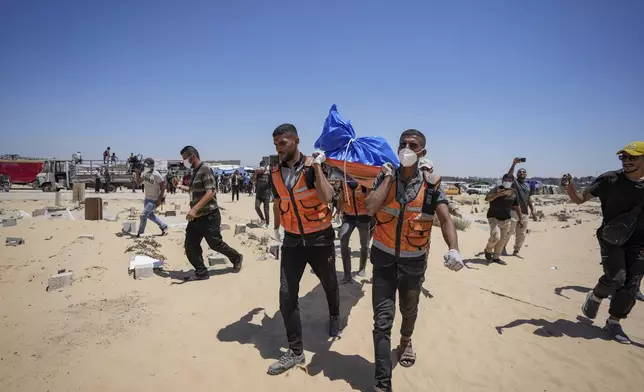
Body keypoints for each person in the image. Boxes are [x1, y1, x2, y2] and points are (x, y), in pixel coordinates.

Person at [365, 129, 464, 392]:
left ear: (423, 152)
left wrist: (454, 248)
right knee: (382, 321)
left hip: (413, 263)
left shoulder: (431, 184)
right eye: (403, 144)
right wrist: (387, 177)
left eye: (413, 145)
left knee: (409, 311)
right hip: (384, 261)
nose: (407, 148)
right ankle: (382, 384)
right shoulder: (385, 177)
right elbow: (370, 208)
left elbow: (445, 219)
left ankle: (406, 340)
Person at [266, 123, 340, 375]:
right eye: (276, 144)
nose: (278, 148)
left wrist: (317, 166)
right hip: (292, 241)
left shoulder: (313, 167)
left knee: (329, 281)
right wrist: (274, 231)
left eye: (283, 143)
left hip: (320, 239)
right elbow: (278, 203)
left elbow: (327, 196)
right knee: (286, 295)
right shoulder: (273, 172)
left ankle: (334, 315)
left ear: (296, 141)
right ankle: (296, 352)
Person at [564, 141, 644, 344]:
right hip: (612, 238)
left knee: (631, 286)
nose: (627, 161)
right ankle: (596, 295)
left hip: (639, 242)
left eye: (632, 157)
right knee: (617, 278)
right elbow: (580, 199)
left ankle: (614, 321)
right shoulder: (610, 179)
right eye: (624, 157)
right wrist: (569, 188)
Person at [180, 145, 243, 280]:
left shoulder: (205, 170)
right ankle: (201, 271)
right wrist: (180, 186)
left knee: (215, 244)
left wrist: (194, 208)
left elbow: (211, 191)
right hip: (196, 218)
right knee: (190, 245)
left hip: (209, 216)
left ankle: (236, 257)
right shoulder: (195, 172)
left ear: (193, 156)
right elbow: (195, 191)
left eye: (185, 158)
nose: (184, 161)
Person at [483, 174, 523, 265]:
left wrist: (520, 219)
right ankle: (488, 250)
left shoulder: (513, 192)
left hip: (506, 219)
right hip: (494, 217)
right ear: (502, 180)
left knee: (502, 239)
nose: (507, 182)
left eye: (510, 180)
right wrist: (498, 194)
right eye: (506, 180)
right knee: (495, 236)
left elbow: (516, 206)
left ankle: (496, 257)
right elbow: (487, 198)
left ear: (512, 182)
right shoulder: (497, 188)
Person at [338, 179, 371, 282]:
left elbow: (371, 198)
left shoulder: (364, 183)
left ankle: (362, 268)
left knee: (364, 244)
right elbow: (341, 197)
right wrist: (338, 211)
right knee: (343, 239)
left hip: (364, 217)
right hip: (349, 217)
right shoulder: (343, 182)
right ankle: (347, 274)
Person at [507, 158, 535, 256]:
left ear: (526, 175)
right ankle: (502, 248)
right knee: (509, 231)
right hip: (513, 211)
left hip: (524, 213)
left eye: (523, 172)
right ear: (517, 174)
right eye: (520, 172)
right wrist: (514, 164)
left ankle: (516, 250)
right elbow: (509, 175)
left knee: (521, 234)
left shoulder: (527, 186)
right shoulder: (514, 183)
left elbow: (528, 199)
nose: (521, 173)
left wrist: (533, 210)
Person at [134, 158, 168, 237]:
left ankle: (140, 233)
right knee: (149, 215)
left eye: (147, 164)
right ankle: (163, 226)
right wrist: (137, 173)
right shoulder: (145, 173)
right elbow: (138, 182)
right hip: (147, 199)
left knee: (143, 215)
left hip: (154, 199)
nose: (145, 166)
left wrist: (160, 199)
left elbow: (163, 186)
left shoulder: (156, 174)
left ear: (151, 165)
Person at [254, 161, 271, 228]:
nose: (261, 167)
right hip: (258, 194)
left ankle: (267, 223)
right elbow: (253, 181)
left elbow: (272, 184)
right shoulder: (258, 174)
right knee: (257, 207)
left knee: (266, 209)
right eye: (261, 165)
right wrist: (255, 174)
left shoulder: (269, 174)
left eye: (263, 166)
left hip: (266, 194)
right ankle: (262, 219)